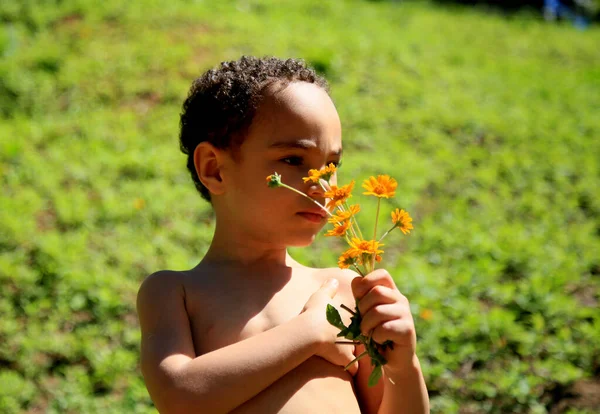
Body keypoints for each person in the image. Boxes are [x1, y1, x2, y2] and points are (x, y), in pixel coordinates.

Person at [136, 56, 429, 413]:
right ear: (214, 169)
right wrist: (312, 331)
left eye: (331, 165)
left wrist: (404, 363)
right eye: (293, 160)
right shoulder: (175, 293)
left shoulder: (344, 290)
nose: (322, 185)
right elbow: (180, 396)